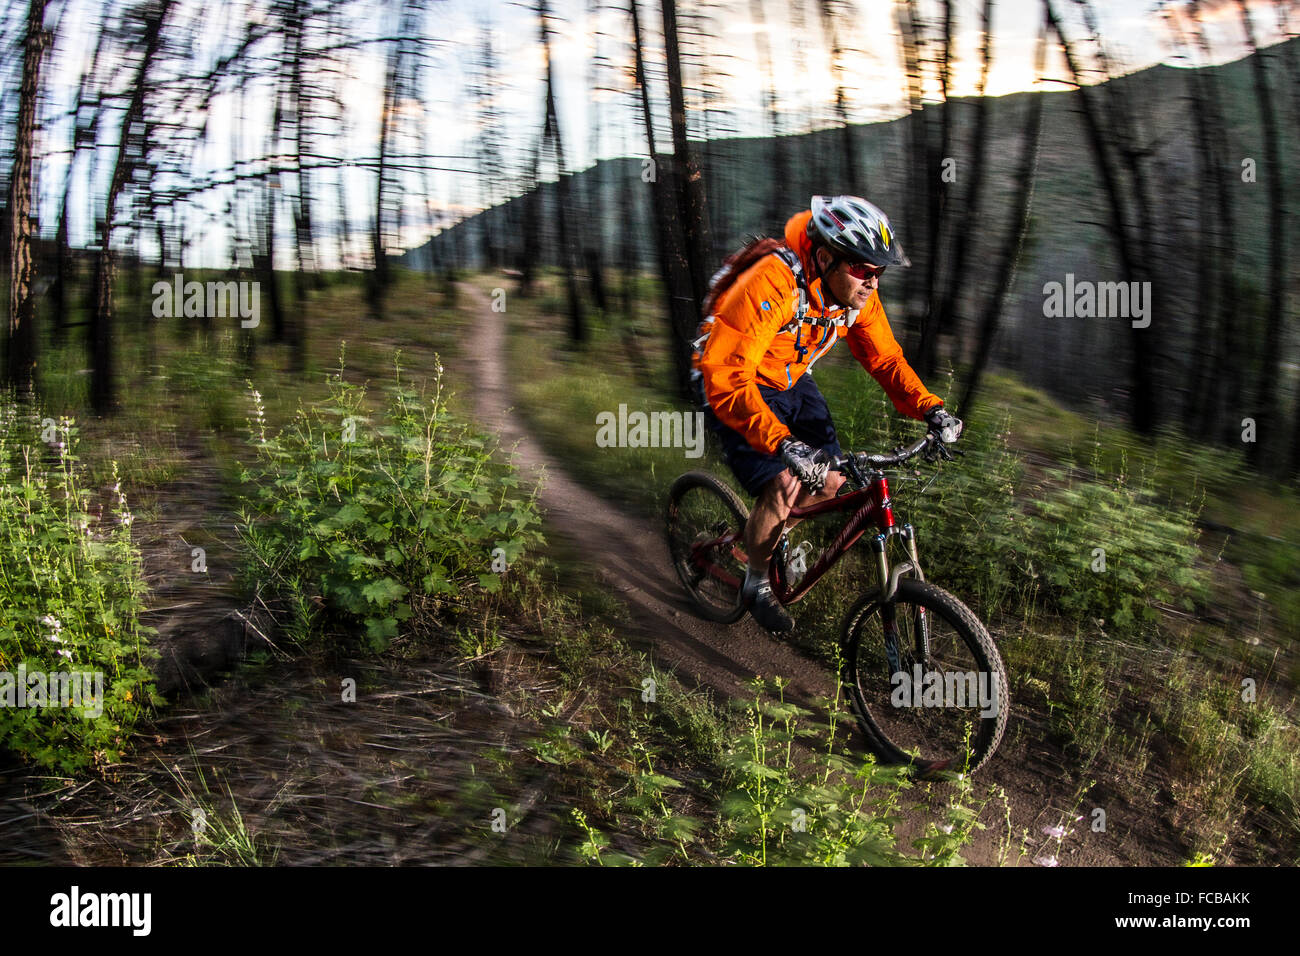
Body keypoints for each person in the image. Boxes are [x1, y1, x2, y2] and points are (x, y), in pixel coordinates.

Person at [691, 195, 962, 633]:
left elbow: (886, 360)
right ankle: (755, 585)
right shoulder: (774, 283)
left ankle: (757, 539)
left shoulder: (856, 294)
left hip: (790, 376)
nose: (872, 282)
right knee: (784, 481)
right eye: (862, 269)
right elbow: (727, 373)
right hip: (730, 379)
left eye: (879, 272)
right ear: (824, 256)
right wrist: (782, 443)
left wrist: (930, 408)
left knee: (832, 481)